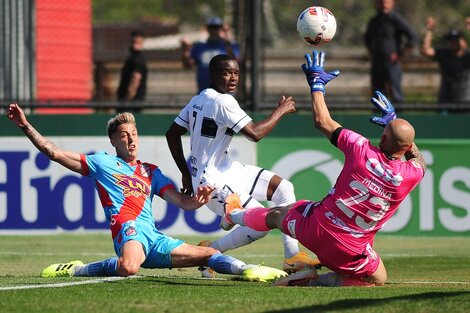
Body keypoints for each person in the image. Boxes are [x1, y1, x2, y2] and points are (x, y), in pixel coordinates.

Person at [6, 103, 287, 282]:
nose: (131, 139)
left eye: (134, 133)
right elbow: (53, 152)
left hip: (153, 238)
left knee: (207, 253)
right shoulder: (101, 162)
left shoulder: (150, 172)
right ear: (113, 140)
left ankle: (249, 270)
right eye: (125, 135)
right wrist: (25, 126)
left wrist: (198, 200)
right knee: (129, 267)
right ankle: (77, 269)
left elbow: (182, 203)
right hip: (128, 231)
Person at [222, 50, 426, 287]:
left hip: (315, 228)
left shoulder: (361, 149)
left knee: (278, 215)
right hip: (348, 251)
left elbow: (322, 121)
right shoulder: (411, 175)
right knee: (377, 279)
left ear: (382, 139)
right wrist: (395, 122)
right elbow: (418, 159)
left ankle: (234, 214)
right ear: (408, 146)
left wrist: (316, 84)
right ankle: (314, 281)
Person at [166, 54, 320, 278]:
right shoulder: (223, 101)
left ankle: (292, 257)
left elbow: (172, 133)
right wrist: (281, 110)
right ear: (213, 75)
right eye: (226, 73)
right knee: (262, 223)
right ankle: (212, 252)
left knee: (283, 188)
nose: (233, 78)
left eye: (236, 73)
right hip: (214, 182)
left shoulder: (198, 99)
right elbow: (255, 134)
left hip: (227, 169)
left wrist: (186, 172)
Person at [364, 0, 418, 103]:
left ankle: (399, 117)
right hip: (377, 63)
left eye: (387, 1)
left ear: (392, 3)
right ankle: (378, 117)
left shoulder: (396, 19)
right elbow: (367, 39)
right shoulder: (374, 21)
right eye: (381, 1)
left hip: (392, 63)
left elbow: (413, 37)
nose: (384, 4)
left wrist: (400, 54)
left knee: (396, 94)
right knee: (377, 95)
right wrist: (371, 53)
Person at [420, 16, 470, 107]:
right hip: (445, 100)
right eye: (451, 40)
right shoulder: (445, 54)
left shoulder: (468, 55)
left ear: (464, 41)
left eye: (457, 40)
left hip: (465, 101)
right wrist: (429, 30)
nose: (454, 42)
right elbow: (426, 50)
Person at [181, 16, 240, 93]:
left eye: (217, 27)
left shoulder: (230, 46)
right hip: (205, 91)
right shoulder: (199, 47)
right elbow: (187, 65)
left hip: (225, 92)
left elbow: (236, 63)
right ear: (207, 29)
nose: (214, 30)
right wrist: (186, 51)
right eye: (211, 27)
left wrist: (226, 38)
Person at [117, 30, 148, 113]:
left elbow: (136, 78)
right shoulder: (134, 57)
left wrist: (127, 101)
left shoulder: (137, 58)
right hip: (132, 102)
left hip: (132, 103)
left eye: (136, 42)